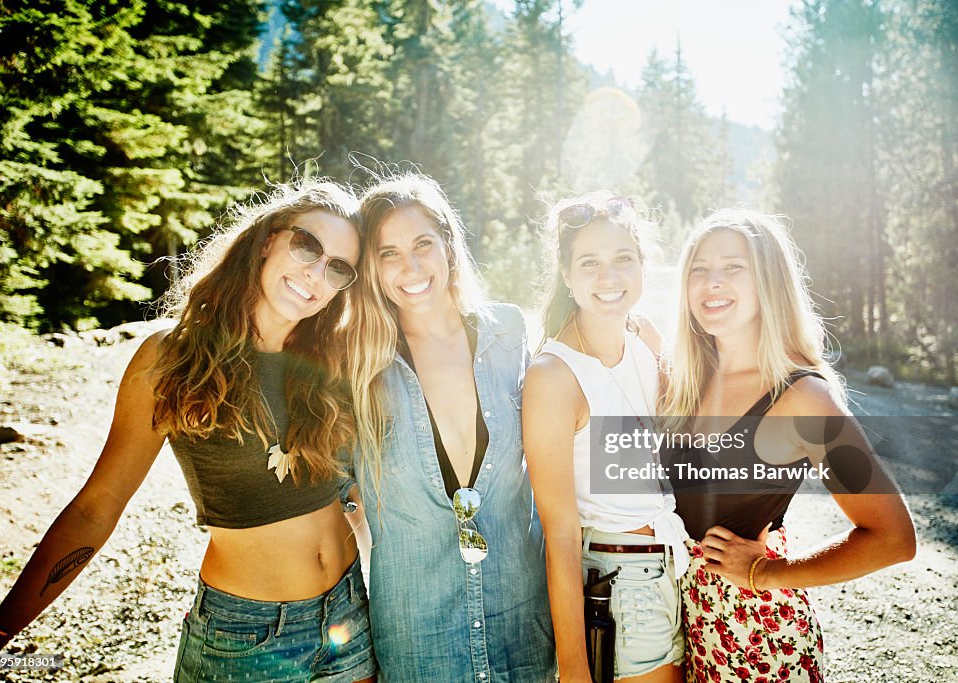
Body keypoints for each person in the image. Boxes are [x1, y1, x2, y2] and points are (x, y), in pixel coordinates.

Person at [0, 180, 377, 683]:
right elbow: (96, 506)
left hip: (348, 620)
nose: (316, 273)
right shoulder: (173, 360)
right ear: (268, 237)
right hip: (245, 638)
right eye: (307, 245)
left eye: (338, 267)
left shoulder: (331, 361)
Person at [663, 208, 916, 683]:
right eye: (699, 269)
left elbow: (893, 538)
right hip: (680, 626)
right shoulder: (685, 380)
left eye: (732, 267)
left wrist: (769, 573)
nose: (711, 282)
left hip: (755, 638)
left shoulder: (803, 398)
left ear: (769, 282)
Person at [346, 172, 555, 682]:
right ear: (369, 267)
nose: (411, 267)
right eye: (388, 253)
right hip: (417, 634)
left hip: (523, 621)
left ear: (449, 246)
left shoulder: (508, 334)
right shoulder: (352, 361)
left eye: (423, 244)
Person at [523, 192, 690, 683]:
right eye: (589, 263)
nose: (609, 277)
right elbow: (559, 533)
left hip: (675, 570)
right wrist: (574, 665)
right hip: (620, 585)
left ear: (643, 264)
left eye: (623, 259)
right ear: (566, 274)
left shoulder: (646, 338)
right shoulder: (555, 375)